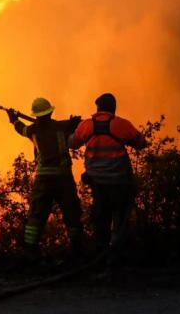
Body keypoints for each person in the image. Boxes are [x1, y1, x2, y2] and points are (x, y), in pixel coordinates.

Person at [68, 93, 147, 267]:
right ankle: (117, 257)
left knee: (101, 218)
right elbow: (141, 143)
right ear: (113, 108)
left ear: (98, 108)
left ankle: (100, 257)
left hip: (97, 182)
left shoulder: (86, 126)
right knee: (120, 217)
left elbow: (71, 143)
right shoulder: (121, 125)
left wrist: (70, 128)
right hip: (119, 181)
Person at [8, 97, 83, 261]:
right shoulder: (61, 126)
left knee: (37, 214)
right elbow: (76, 126)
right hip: (63, 177)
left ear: (35, 115)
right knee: (71, 211)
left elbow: (21, 129)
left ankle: (30, 250)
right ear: (50, 112)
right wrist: (75, 122)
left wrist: (13, 119)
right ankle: (78, 248)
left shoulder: (33, 130)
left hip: (43, 179)